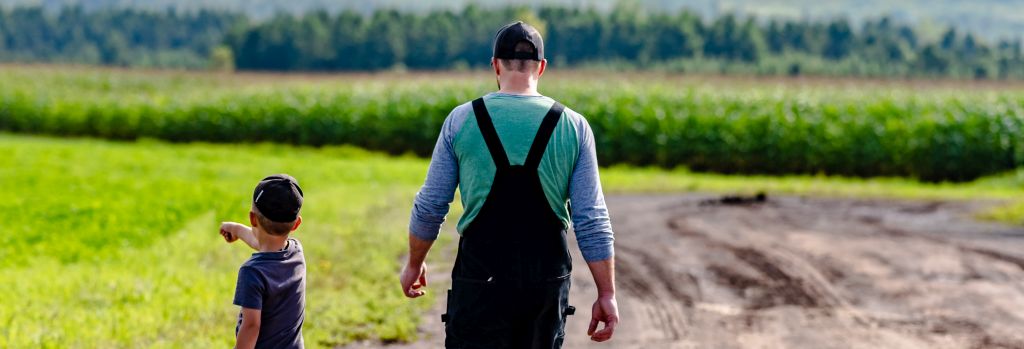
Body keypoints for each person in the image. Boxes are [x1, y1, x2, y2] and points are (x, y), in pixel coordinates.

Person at [400, 21, 618, 348]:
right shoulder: (574, 126)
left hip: (480, 279)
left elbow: (431, 205)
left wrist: (414, 264)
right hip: (544, 284)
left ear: (495, 65)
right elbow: (592, 219)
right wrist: (607, 293)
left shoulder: (460, 120)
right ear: (541, 67)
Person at [219, 174, 306, 349]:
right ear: (296, 224)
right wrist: (236, 229)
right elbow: (265, 243)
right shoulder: (296, 251)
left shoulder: (252, 272)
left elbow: (251, 326)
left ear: (252, 218)